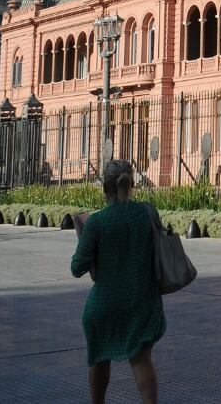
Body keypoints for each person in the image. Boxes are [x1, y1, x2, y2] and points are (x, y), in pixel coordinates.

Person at [71, 159, 164, 404]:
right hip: (142, 302)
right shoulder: (147, 213)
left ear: (105, 188)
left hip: (105, 305)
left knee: (99, 357)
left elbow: (77, 267)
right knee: (141, 359)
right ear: (132, 184)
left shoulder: (96, 223)